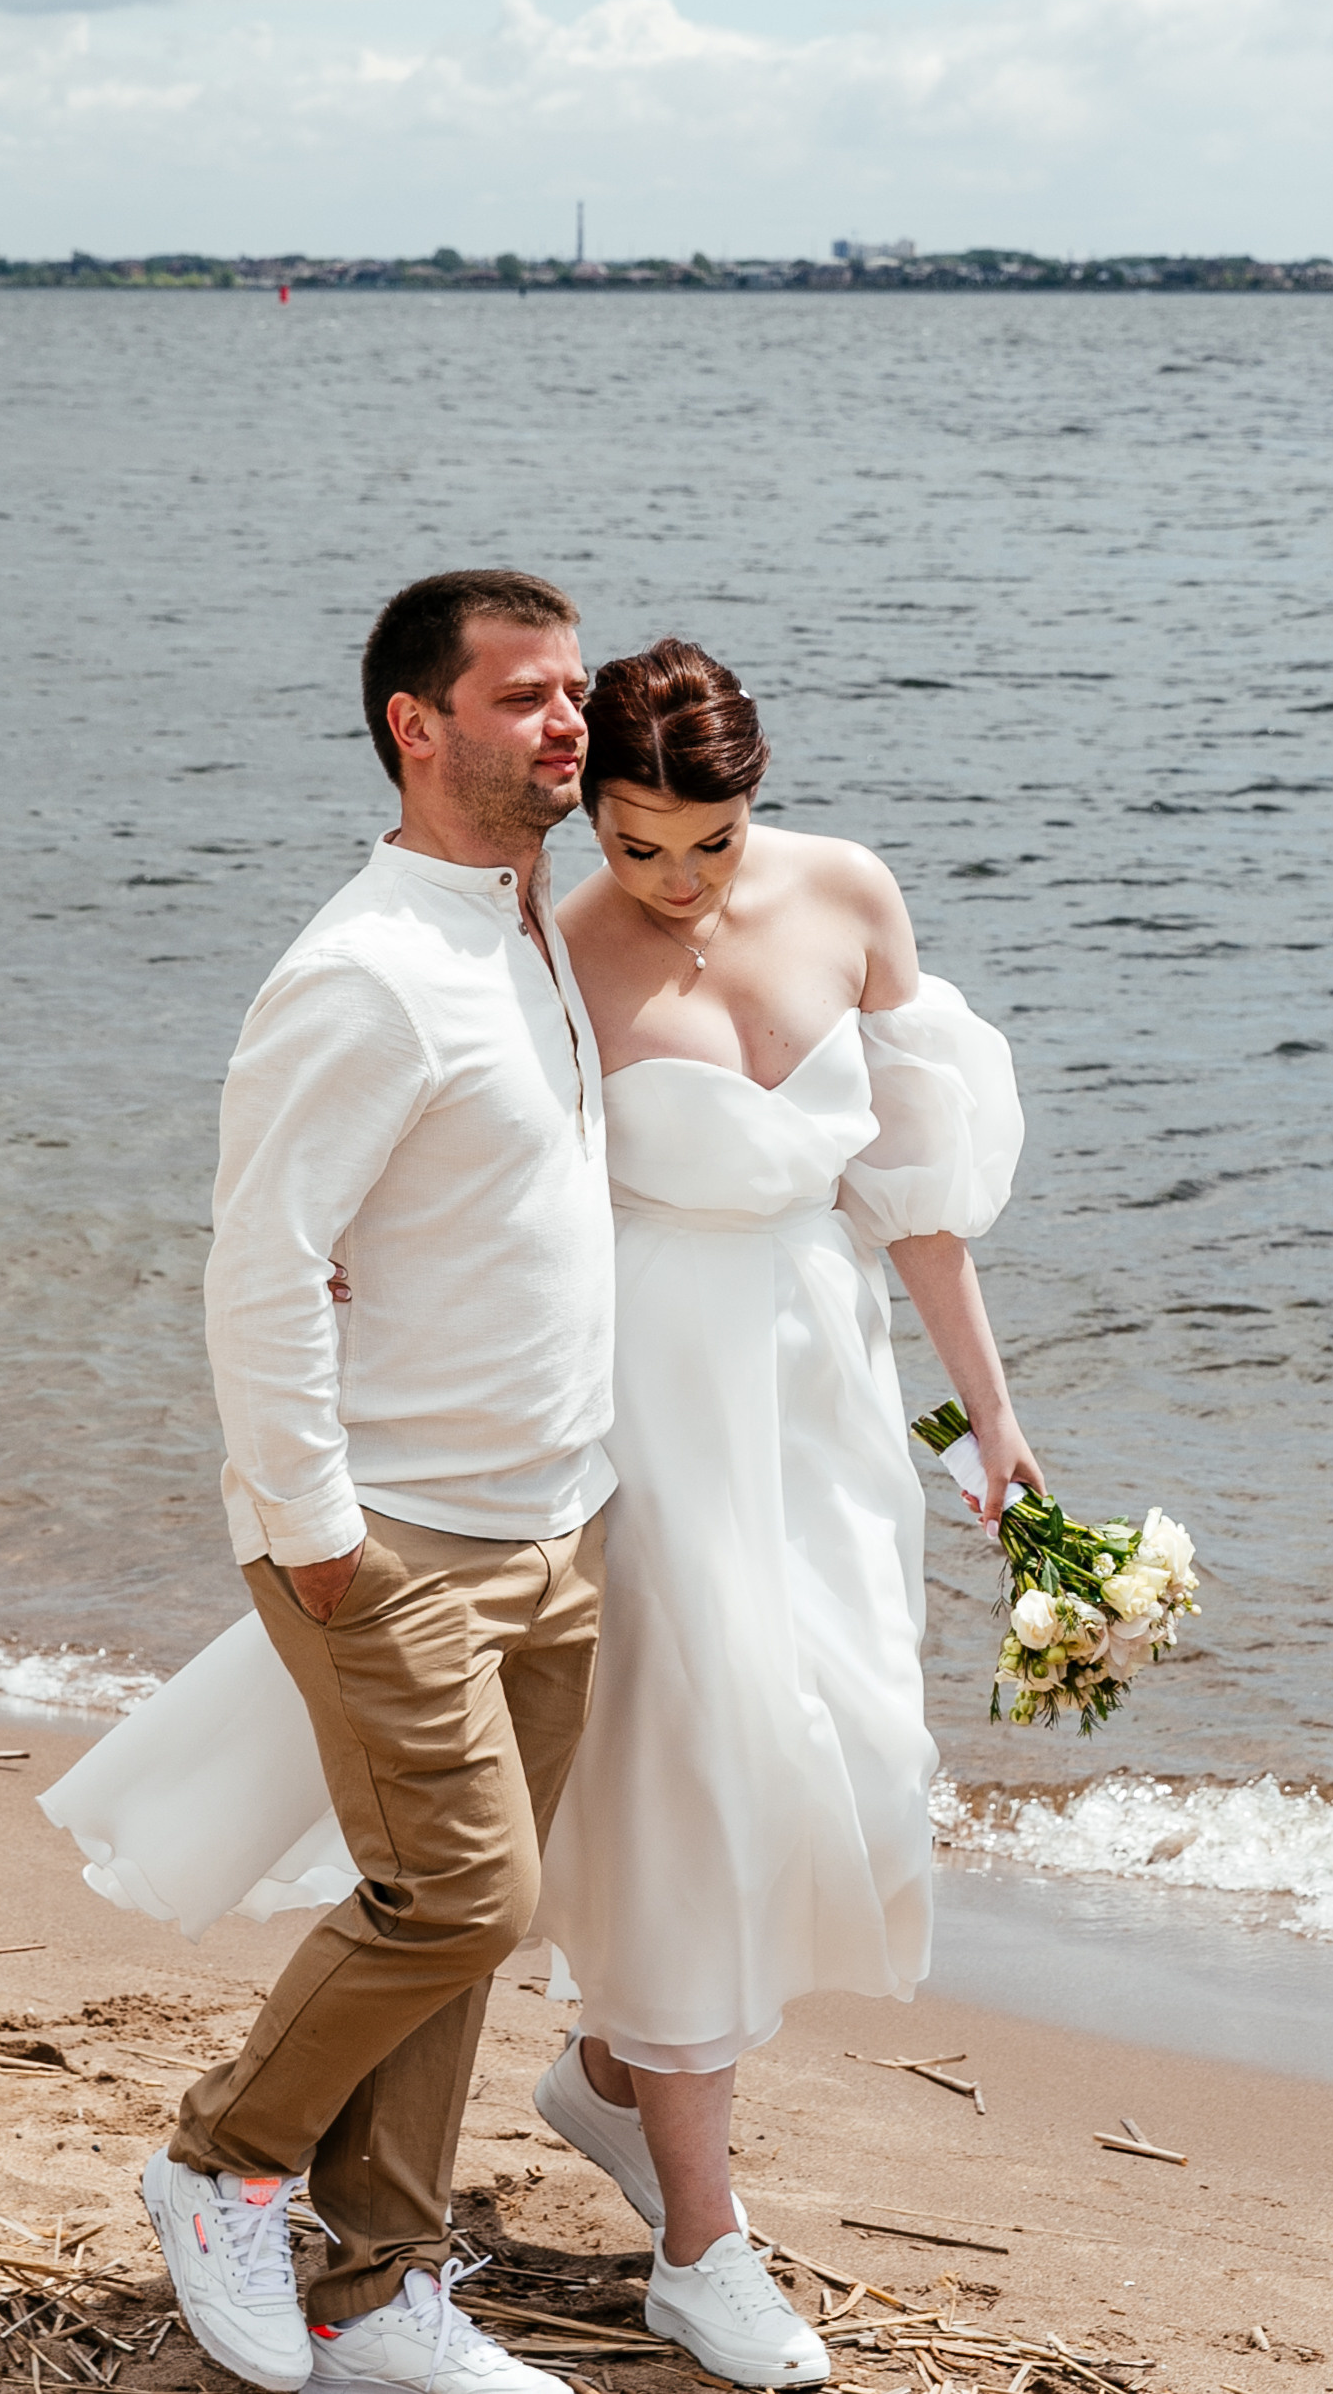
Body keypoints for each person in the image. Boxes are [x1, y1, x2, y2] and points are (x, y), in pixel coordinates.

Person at [525, 637, 1039, 2389]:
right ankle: (699, 2246)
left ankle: (611, 2077)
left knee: (847, 1747)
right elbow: (492, 1196)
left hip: (816, 1386)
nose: (673, 882)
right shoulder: (549, 945)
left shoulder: (848, 895)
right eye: (635, 845)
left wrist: (988, 1416)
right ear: (587, 811)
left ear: (758, 802)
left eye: (710, 843)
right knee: (700, 1765)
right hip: (646, 1395)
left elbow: (911, 1195)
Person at [131, 569, 616, 2394]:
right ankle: (220, 2161)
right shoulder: (365, 972)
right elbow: (259, 1264)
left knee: (466, 1934)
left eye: (574, 691)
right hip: (394, 1536)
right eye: (523, 697)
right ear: (416, 727)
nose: (566, 723)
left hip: (554, 1519)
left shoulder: (529, 926)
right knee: (456, 1900)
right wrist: (316, 1534)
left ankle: (374, 2286)